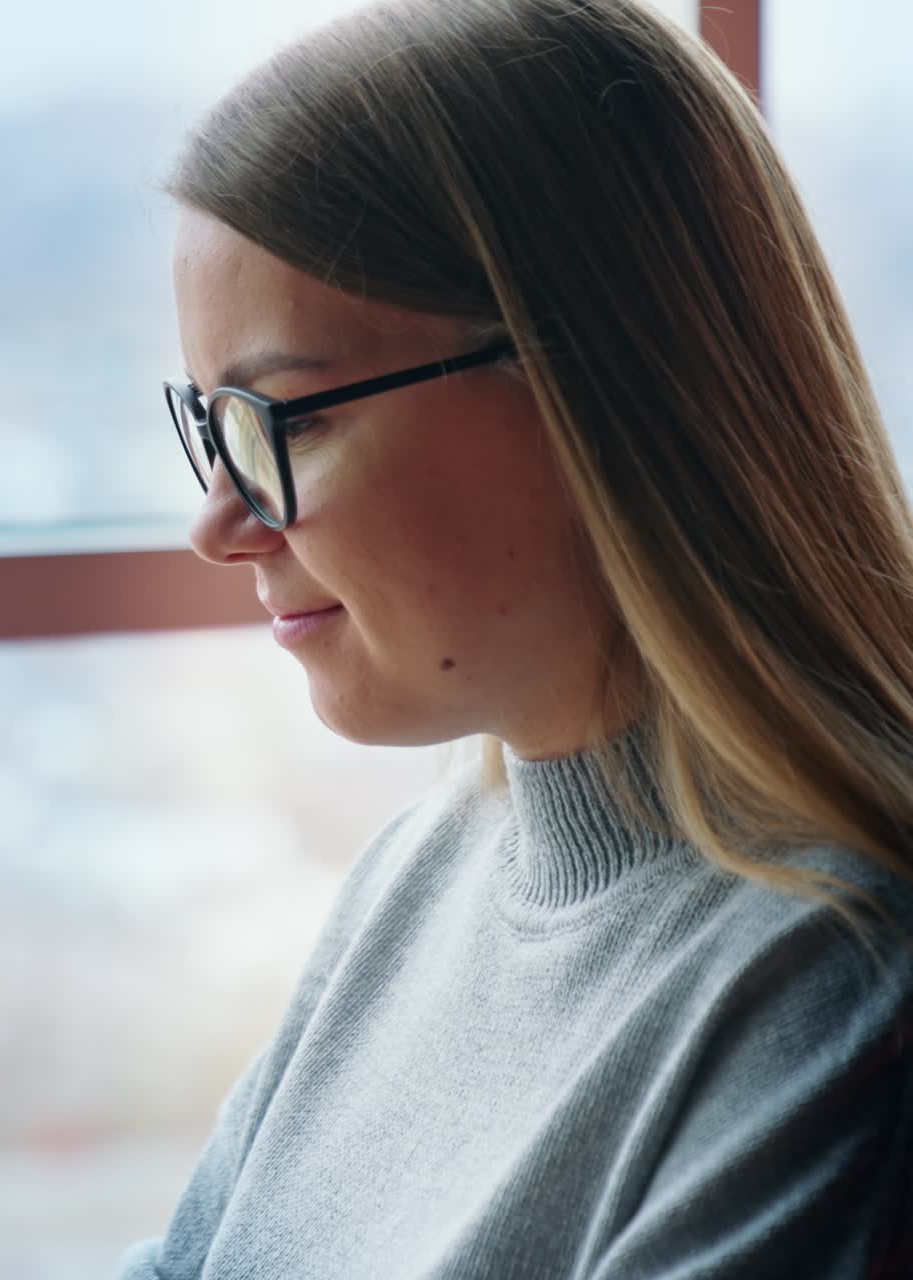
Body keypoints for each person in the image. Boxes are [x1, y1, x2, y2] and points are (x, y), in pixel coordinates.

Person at [121, 0, 913, 1274]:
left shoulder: (836, 994)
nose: (220, 523)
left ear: (596, 389)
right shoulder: (432, 864)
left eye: (284, 421)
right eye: (208, 422)